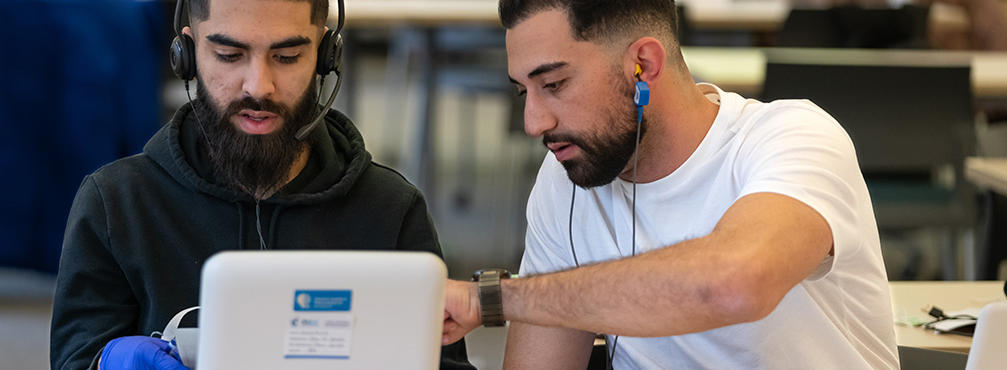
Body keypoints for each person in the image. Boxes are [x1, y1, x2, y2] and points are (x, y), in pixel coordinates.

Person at [441, 0, 899, 369]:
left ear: (643, 64)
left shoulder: (792, 136)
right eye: (524, 91)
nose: (533, 121)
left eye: (555, 84)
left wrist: (493, 299)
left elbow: (735, 284)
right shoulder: (568, 180)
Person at [49, 0, 476, 369]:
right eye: (229, 55)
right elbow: (77, 358)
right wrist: (106, 361)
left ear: (327, 54)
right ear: (188, 52)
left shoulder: (391, 210)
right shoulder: (116, 204)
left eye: (287, 56)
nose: (259, 86)